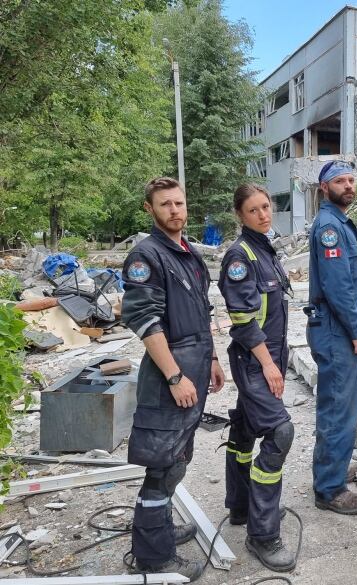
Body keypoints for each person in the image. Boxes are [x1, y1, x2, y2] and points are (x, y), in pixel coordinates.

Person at [122, 177, 225, 581]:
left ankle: (161, 527)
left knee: (179, 457)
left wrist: (213, 359)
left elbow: (201, 312)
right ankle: (153, 556)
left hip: (196, 364)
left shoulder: (189, 253)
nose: (175, 210)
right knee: (162, 465)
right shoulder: (146, 255)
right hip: (172, 373)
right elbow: (144, 321)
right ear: (150, 209)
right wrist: (175, 375)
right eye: (165, 204)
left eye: (179, 203)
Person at [218, 183, 296, 572]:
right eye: (254, 210)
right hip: (254, 361)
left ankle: (239, 506)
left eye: (266, 207)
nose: (264, 214)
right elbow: (244, 321)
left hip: (269, 358)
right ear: (240, 215)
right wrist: (267, 364)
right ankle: (262, 534)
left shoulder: (265, 249)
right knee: (280, 433)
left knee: (246, 428)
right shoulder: (241, 256)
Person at [306, 160, 357, 515]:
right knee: (338, 409)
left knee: (341, 406)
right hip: (336, 331)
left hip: (336, 328)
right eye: (339, 181)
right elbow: (338, 286)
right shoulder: (330, 227)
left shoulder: (339, 223)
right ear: (323, 188)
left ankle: (330, 471)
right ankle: (330, 490)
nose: (348, 185)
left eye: (350, 180)